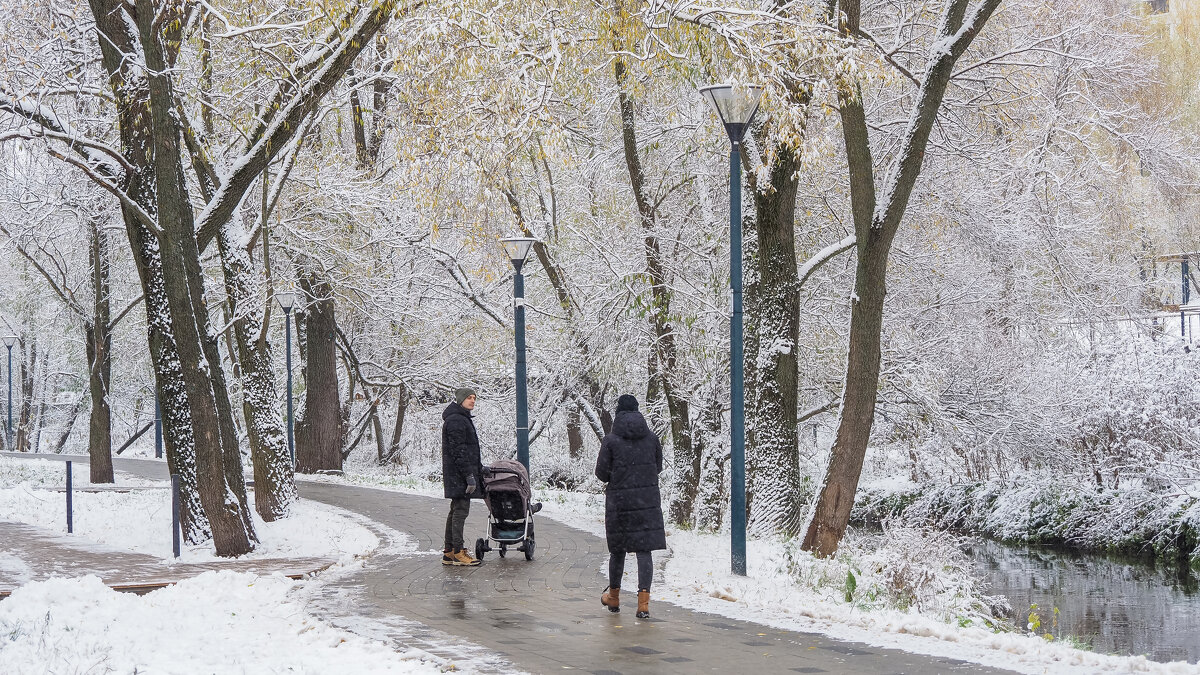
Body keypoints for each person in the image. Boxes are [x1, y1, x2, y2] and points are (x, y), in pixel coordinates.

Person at [595, 394, 665, 619]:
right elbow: (658, 467)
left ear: (618, 413)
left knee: (618, 550)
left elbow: (601, 474)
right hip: (647, 502)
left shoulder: (610, 441)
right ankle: (643, 604)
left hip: (620, 503)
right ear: (637, 412)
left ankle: (613, 597)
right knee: (644, 551)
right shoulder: (652, 439)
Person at [442, 387, 484, 566]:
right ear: (460, 400)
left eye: (474, 398)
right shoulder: (457, 420)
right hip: (459, 475)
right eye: (469, 398)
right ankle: (458, 552)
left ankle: (449, 552)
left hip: (458, 473)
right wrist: (469, 475)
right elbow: (458, 450)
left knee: (455, 511)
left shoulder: (460, 418)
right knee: (460, 511)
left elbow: (468, 450)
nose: (472, 401)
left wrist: (480, 469)